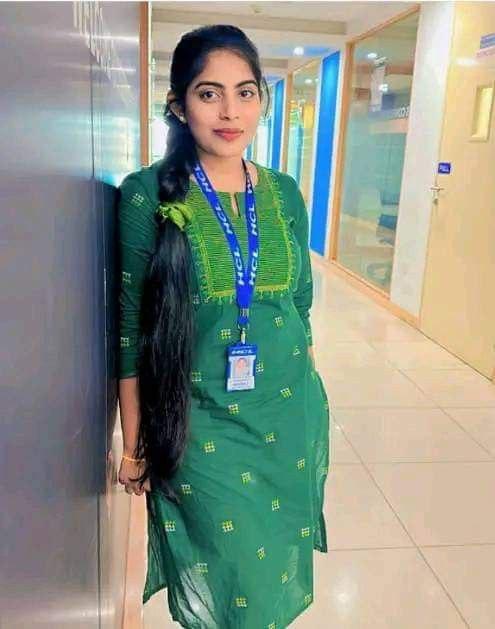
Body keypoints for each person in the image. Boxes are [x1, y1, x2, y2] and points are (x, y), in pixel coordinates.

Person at [117, 24, 331, 629]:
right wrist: (134, 441)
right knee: (231, 570)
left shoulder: (283, 192)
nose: (230, 112)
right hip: (196, 420)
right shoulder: (147, 195)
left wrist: (308, 396)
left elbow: (300, 304)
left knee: (270, 574)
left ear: (263, 99)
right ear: (179, 104)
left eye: (246, 92)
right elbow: (130, 328)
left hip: (285, 416)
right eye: (209, 93)